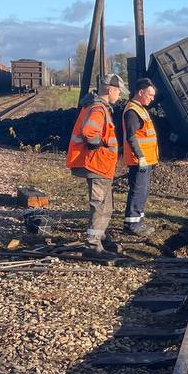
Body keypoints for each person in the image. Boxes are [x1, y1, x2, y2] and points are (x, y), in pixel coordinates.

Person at [66, 74, 122, 252]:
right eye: (119, 92)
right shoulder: (98, 109)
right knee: (100, 204)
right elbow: (89, 131)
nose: (119, 96)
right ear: (110, 90)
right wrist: (97, 145)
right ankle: (92, 244)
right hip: (96, 164)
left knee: (106, 205)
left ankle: (100, 236)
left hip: (100, 165)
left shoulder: (95, 106)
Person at [121, 78, 158, 236]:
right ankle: (131, 225)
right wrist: (141, 156)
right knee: (137, 190)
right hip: (139, 160)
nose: (152, 98)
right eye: (150, 95)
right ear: (141, 92)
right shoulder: (132, 111)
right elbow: (132, 137)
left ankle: (138, 222)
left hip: (146, 159)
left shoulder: (140, 109)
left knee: (143, 191)